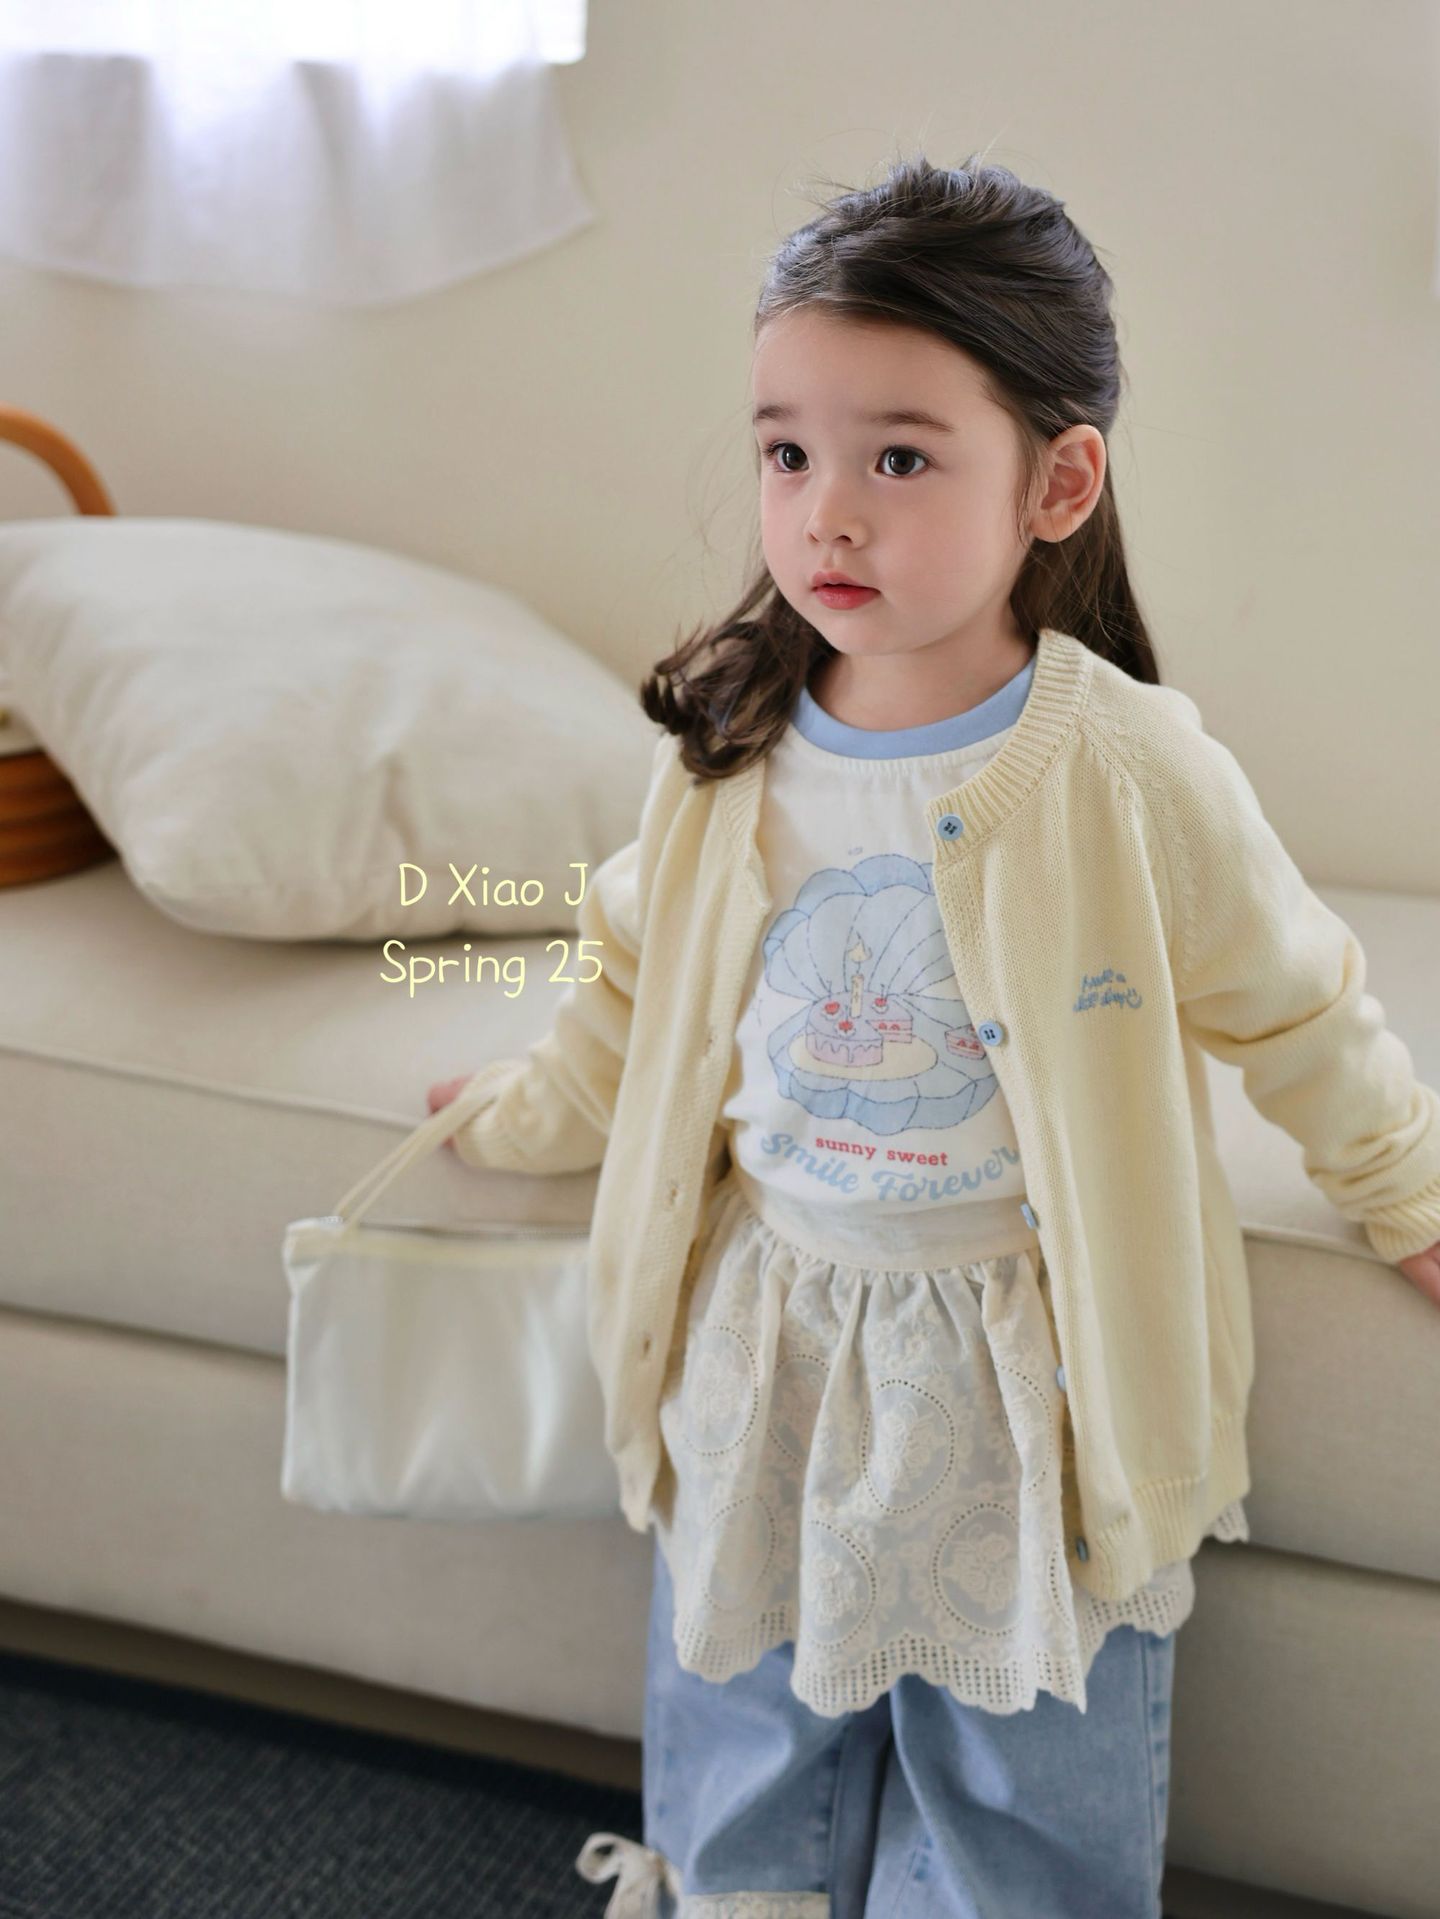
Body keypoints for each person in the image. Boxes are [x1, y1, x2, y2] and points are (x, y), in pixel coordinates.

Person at [427, 150, 1440, 1919]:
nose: (827, 514)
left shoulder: (1123, 768)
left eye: (897, 458)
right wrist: (516, 1114)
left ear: (1058, 483)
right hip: (769, 1342)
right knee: (741, 1762)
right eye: (786, 453)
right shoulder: (729, 747)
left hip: (1022, 1375)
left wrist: (1410, 1195)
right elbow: (633, 996)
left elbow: (1302, 1003)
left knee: (1019, 1806)